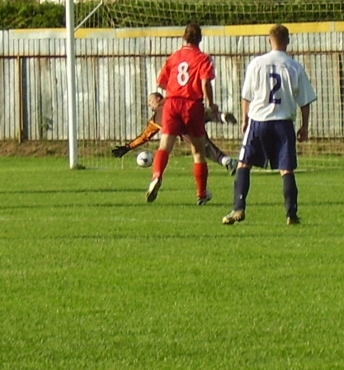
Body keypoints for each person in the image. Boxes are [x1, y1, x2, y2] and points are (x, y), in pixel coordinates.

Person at [222, 24, 317, 226]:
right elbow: (305, 100)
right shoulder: (294, 66)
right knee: (287, 169)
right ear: (288, 41)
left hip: (259, 122)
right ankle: (291, 213)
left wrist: (245, 118)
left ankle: (238, 208)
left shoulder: (257, 63)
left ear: (268, 41)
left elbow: (246, 95)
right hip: (284, 123)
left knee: (243, 164)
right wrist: (305, 126)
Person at [145, 23, 218, 205]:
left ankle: (156, 175)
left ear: (183, 38)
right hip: (192, 104)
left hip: (172, 102)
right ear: (199, 40)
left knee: (164, 146)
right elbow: (205, 83)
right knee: (198, 152)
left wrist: (175, 89)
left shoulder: (174, 57)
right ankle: (201, 194)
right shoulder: (203, 59)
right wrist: (211, 103)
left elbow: (161, 81)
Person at [111, 92, 239, 175]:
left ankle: (227, 162)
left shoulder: (157, 117)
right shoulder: (171, 98)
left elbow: (145, 136)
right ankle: (221, 117)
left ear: (157, 98)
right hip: (189, 109)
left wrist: (128, 147)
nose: (149, 105)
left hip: (183, 128)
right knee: (201, 113)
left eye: (150, 101)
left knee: (202, 147)